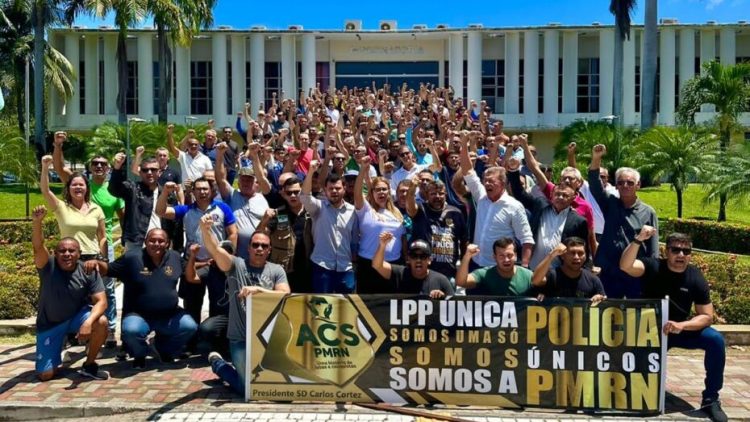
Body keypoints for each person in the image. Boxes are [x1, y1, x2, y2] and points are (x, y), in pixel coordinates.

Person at [620, 228, 727, 422]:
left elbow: (706, 316)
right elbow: (626, 266)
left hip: (679, 329)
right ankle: (633, 391)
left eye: (686, 252)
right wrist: (638, 240)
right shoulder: (653, 266)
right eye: (676, 250)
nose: (681, 255)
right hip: (649, 331)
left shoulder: (695, 277)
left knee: (715, 340)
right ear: (666, 251)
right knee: (633, 360)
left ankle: (711, 399)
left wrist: (682, 325)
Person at [200, 218, 289, 396]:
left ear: (269, 250)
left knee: (272, 387)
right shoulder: (236, 266)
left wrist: (259, 290)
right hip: (240, 338)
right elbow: (215, 251)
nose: (259, 249)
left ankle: (222, 367)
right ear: (248, 248)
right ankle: (219, 365)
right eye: (255, 245)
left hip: (267, 339)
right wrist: (205, 230)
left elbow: (285, 294)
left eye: (264, 246)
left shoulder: (276, 270)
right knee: (248, 390)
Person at [52, 131, 123, 346]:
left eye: (103, 164)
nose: (99, 167)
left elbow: (123, 217)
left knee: (107, 290)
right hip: (75, 250)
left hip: (103, 245)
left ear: (108, 168)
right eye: (95, 164)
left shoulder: (115, 190)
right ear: (90, 168)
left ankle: (109, 330)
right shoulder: (81, 184)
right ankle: (74, 330)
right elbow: (58, 168)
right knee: (73, 291)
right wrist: (58, 146)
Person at [98, 229, 197, 368]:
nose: (156, 244)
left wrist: (198, 259)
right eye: (152, 240)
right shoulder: (132, 257)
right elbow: (108, 269)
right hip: (139, 314)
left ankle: (163, 349)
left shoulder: (175, 257)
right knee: (131, 331)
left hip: (169, 314)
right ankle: (140, 353)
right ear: (145, 242)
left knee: (190, 326)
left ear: (167, 243)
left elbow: (190, 273)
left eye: (161, 241)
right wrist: (97, 262)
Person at [155, 178, 238, 346]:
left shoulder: (222, 208)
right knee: (192, 304)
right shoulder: (186, 210)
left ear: (212, 190)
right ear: (192, 192)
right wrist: (165, 192)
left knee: (219, 304)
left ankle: (216, 341)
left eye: (205, 189)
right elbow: (161, 211)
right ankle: (191, 342)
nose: (202, 192)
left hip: (217, 265)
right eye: (198, 189)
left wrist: (225, 255)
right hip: (194, 263)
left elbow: (233, 233)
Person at [31, 205, 109, 381]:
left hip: (76, 318)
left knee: (101, 322)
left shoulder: (88, 270)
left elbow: (102, 301)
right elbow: (37, 247)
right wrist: (37, 223)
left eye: (71, 251)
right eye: (62, 251)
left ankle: (89, 364)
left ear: (79, 254)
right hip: (50, 324)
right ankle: (55, 355)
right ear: (55, 254)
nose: (67, 254)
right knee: (45, 375)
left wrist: (88, 322)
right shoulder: (47, 266)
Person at [588, 144, 659, 298]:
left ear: (638, 185)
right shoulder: (610, 203)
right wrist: (596, 158)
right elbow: (594, 185)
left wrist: (651, 274)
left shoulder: (648, 212)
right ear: (616, 185)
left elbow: (653, 250)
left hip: (634, 274)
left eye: (630, 183)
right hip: (608, 273)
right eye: (620, 182)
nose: (625, 186)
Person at [458, 135, 534, 270]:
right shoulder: (481, 196)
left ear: (503, 184)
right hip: (475, 263)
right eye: (485, 180)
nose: (486, 183)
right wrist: (464, 144)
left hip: (499, 268)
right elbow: (468, 170)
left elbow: (526, 239)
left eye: (491, 181)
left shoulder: (514, 206)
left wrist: (524, 268)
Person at [506, 157, 589, 270]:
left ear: (573, 198)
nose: (560, 197)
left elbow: (582, 249)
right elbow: (519, 193)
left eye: (565, 195)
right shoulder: (540, 205)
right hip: (532, 268)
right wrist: (514, 170)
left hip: (558, 272)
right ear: (551, 195)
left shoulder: (579, 221)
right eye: (557, 194)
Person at [300, 161, 358, 293]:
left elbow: (354, 240)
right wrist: (310, 171)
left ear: (344, 189)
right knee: (322, 310)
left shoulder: (353, 211)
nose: (334, 191)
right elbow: (304, 197)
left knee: (347, 308)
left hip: (346, 267)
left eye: (337, 188)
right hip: (322, 266)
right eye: (330, 189)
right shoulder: (318, 208)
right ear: (325, 190)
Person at [353, 158, 406, 293]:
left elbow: (402, 238)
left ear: (389, 192)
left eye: (384, 189)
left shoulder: (396, 212)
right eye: (377, 190)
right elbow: (357, 193)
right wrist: (363, 170)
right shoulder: (366, 210)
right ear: (372, 192)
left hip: (394, 264)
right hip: (368, 264)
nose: (381, 192)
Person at [257, 175, 312, 293]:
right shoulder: (279, 213)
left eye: (296, 192)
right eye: (289, 193)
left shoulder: (311, 212)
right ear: (284, 194)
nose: (292, 195)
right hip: (284, 271)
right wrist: (264, 220)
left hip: (308, 270)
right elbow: (259, 235)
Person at [215, 141, 269, 260]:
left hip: (259, 254)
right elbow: (220, 179)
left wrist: (255, 155)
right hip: (236, 255)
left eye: (249, 180)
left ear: (256, 183)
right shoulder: (232, 194)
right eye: (243, 179)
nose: (245, 183)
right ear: (238, 182)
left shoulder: (263, 197)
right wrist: (219, 155)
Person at [406, 178, 466, 281]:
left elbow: (464, 241)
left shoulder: (456, 213)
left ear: (446, 194)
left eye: (441, 193)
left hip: (448, 273)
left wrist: (463, 265)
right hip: (424, 272)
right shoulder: (421, 209)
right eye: (433, 194)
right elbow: (410, 208)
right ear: (427, 195)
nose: (437, 196)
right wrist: (412, 189)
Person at [372, 232, 454, 297]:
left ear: (429, 260)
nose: (418, 260)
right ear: (408, 259)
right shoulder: (399, 273)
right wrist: (382, 245)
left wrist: (443, 298)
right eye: (414, 256)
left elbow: (454, 306)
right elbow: (377, 265)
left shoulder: (441, 280)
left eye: (423, 256)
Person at [109, 152, 161, 252]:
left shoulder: (167, 193)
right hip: (136, 243)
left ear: (159, 172)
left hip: (160, 243)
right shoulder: (132, 189)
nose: (149, 172)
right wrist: (117, 167)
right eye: (145, 170)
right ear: (140, 172)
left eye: (153, 170)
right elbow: (114, 188)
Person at [531, 238, 606, 304]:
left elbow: (604, 302)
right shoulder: (552, 275)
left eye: (580, 253)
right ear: (562, 255)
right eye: (572, 253)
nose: (576, 257)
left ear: (586, 256)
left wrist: (599, 299)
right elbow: (535, 280)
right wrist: (552, 255)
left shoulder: (593, 280)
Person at [456, 238, 538, 296]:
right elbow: (461, 282)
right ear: (494, 257)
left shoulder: (528, 275)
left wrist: (543, 294)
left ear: (516, 256)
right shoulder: (485, 274)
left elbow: (545, 287)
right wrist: (467, 257)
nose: (506, 259)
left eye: (509, 255)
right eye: (501, 256)